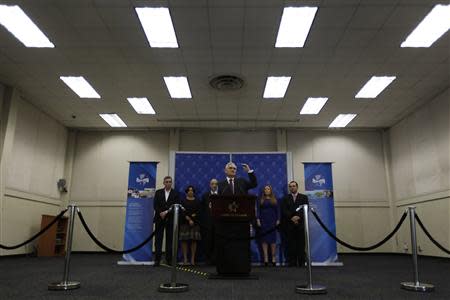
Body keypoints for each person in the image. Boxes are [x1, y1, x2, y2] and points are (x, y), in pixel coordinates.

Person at [280, 180, 309, 267]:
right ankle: (292, 262)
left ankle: (301, 262)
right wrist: (292, 217)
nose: (292, 187)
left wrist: (298, 217)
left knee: (301, 244)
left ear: (297, 187)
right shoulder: (285, 198)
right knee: (291, 244)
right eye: (290, 186)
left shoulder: (304, 197)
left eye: (294, 186)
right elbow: (284, 210)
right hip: (289, 225)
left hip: (300, 225)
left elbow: (305, 208)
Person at [153, 176, 180, 266]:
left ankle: (169, 260)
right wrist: (161, 212)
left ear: (171, 183)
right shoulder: (158, 192)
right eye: (167, 182)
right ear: (163, 183)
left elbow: (176, 205)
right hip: (159, 219)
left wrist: (166, 212)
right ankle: (157, 260)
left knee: (170, 240)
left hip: (170, 219)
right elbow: (155, 205)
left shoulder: (176, 193)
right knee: (158, 240)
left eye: (170, 182)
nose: (168, 183)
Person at [256, 185, 280, 267]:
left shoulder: (274, 199)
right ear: (264, 191)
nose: (266, 190)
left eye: (268, 189)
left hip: (272, 221)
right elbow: (258, 210)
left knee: (273, 241)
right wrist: (258, 219)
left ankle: (273, 258)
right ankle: (266, 258)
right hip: (263, 222)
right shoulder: (260, 199)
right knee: (264, 240)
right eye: (265, 189)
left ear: (271, 190)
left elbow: (278, 210)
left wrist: (278, 219)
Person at [179, 185, 201, 266]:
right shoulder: (182, 201)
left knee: (194, 241)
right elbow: (182, 212)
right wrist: (188, 219)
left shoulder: (198, 201)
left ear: (194, 192)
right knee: (184, 241)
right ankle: (185, 259)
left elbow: (199, 212)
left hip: (195, 224)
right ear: (186, 192)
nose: (190, 192)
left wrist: (192, 220)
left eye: (192, 190)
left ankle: (192, 259)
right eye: (189, 190)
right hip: (184, 223)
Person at [200, 178, 218, 265]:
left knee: (217, 241)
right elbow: (202, 210)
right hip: (207, 223)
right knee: (207, 241)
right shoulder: (205, 196)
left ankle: (216, 259)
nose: (214, 185)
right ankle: (208, 259)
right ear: (210, 185)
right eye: (212, 184)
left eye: (215, 184)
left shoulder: (221, 195)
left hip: (218, 223)